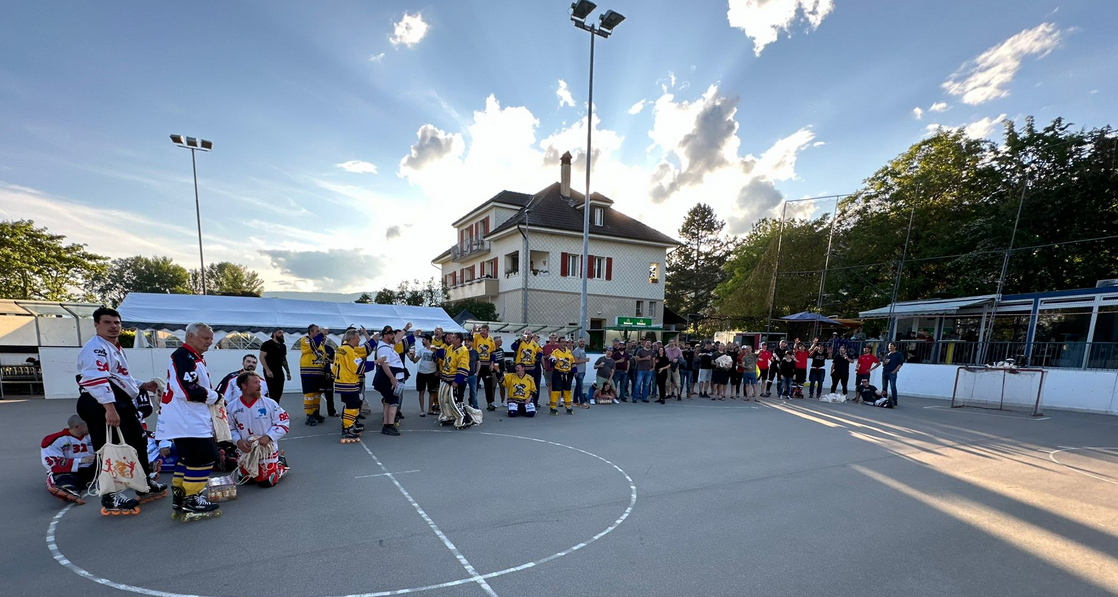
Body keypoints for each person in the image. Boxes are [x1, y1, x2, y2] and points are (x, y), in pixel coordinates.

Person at [75, 306, 166, 515]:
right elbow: (95, 380)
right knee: (110, 447)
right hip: (100, 403)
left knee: (138, 440)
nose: (113, 327)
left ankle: (144, 483)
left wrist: (144, 384)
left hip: (119, 402)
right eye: (107, 322)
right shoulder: (95, 348)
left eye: (116, 323)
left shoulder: (114, 347)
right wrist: (109, 409)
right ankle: (111, 494)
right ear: (96, 325)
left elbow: (120, 378)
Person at [158, 322, 222, 522]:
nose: (209, 342)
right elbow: (187, 390)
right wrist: (216, 396)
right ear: (191, 337)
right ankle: (192, 498)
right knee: (204, 456)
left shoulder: (193, 358)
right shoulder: (183, 356)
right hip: (186, 419)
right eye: (205, 338)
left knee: (188, 459)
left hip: (187, 417)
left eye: (211, 338)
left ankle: (180, 497)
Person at [227, 371, 289, 486]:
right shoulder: (232, 407)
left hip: (266, 452)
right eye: (255, 383)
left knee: (266, 482)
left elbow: (283, 423)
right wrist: (238, 441)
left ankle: (280, 466)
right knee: (246, 480)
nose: (260, 386)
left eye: (259, 383)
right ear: (244, 386)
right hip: (246, 452)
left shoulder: (270, 404)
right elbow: (228, 428)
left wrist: (269, 437)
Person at [43, 415, 95, 504]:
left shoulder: (92, 436)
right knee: (64, 479)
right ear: (77, 427)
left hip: (90, 469)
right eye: (87, 425)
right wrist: (80, 460)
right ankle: (66, 489)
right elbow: (52, 463)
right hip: (69, 471)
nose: (91, 426)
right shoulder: (54, 440)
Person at [333, 327, 371, 442]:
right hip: (349, 383)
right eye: (358, 337)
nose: (359, 340)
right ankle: (347, 428)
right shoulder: (349, 350)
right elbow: (359, 367)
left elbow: (334, 368)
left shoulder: (340, 349)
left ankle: (349, 425)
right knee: (353, 406)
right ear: (352, 338)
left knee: (349, 405)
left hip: (342, 382)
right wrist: (376, 362)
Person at [373, 326, 409, 436]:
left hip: (393, 376)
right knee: (393, 402)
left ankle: (387, 424)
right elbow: (385, 364)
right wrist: (392, 379)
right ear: (385, 335)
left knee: (389, 401)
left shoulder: (388, 346)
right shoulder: (384, 348)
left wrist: (405, 329)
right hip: (390, 378)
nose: (393, 336)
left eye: (393, 334)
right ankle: (389, 425)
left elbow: (397, 339)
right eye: (390, 334)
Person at [436, 332, 472, 429]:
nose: (451, 339)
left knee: (456, 401)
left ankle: (465, 419)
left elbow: (463, 366)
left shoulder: (464, 350)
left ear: (458, 340)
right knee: (445, 399)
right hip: (447, 378)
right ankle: (449, 416)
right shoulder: (450, 348)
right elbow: (445, 355)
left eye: (453, 338)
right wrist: (435, 350)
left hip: (456, 380)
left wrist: (458, 381)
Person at [298, 324, 330, 426]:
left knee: (317, 393)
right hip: (308, 372)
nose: (319, 333)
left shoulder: (321, 344)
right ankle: (309, 414)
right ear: (311, 332)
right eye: (317, 331)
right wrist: (322, 335)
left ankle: (316, 412)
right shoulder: (305, 340)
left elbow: (324, 357)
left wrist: (327, 370)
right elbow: (313, 345)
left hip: (319, 372)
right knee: (309, 394)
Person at [258, 329, 291, 403]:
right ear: (274, 334)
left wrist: (288, 372)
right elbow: (261, 357)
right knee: (272, 391)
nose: (282, 334)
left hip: (279, 370)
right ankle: (272, 408)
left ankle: (276, 407)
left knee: (279, 391)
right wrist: (267, 370)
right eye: (279, 333)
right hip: (270, 371)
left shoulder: (283, 346)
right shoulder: (267, 344)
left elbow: (284, 360)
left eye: (282, 333)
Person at [410, 334, 440, 417]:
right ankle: (422, 410)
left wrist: (438, 370)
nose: (422, 341)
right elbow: (415, 361)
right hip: (421, 373)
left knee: (432, 392)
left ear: (428, 340)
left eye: (423, 340)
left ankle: (430, 409)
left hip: (432, 373)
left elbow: (438, 361)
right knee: (421, 392)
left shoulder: (435, 350)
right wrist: (412, 357)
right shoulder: (421, 350)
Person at [472, 325, 498, 411]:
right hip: (478, 364)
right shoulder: (476, 336)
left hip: (487, 365)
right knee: (475, 385)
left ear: (487, 331)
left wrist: (492, 364)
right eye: (481, 330)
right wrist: (473, 330)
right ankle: (472, 403)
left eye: (484, 330)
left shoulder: (491, 339)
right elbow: (471, 343)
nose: (482, 332)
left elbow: (493, 353)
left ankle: (490, 402)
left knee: (488, 385)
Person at [513, 331, 542, 406]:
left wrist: (537, 357)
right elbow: (513, 347)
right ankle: (519, 401)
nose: (527, 335)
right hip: (521, 367)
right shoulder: (520, 342)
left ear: (531, 335)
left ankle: (534, 402)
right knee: (520, 384)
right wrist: (519, 340)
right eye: (526, 333)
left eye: (529, 334)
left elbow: (540, 351)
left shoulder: (534, 344)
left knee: (532, 385)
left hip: (531, 367)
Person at [548, 337, 575, 415]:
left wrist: (575, 372)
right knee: (556, 390)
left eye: (565, 342)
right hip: (558, 373)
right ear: (558, 343)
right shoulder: (555, 352)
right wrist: (555, 361)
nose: (564, 343)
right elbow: (551, 363)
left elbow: (573, 362)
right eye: (562, 342)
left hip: (567, 373)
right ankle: (553, 407)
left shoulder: (569, 352)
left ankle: (568, 406)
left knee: (567, 390)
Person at [881, 343, 904, 407]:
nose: (889, 348)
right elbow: (883, 363)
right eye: (889, 347)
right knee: (884, 386)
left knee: (893, 386)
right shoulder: (887, 354)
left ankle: (894, 400)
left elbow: (900, 363)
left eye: (891, 346)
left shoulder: (898, 354)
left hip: (892, 372)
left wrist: (895, 371)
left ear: (895, 347)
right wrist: (885, 362)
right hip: (885, 371)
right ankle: (884, 399)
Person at [572, 337, 590, 408]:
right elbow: (575, 361)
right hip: (578, 371)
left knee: (578, 386)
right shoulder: (577, 350)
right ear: (578, 343)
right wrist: (585, 360)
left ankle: (575, 401)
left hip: (582, 371)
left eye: (583, 341)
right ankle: (582, 402)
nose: (582, 343)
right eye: (581, 341)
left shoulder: (582, 350)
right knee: (580, 387)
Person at [464, 335, 480, 410]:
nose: (466, 343)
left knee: (474, 393)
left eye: (468, 341)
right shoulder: (462, 350)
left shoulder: (475, 352)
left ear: (472, 342)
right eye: (465, 341)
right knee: (461, 392)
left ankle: (476, 409)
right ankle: (460, 408)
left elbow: (478, 362)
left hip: (472, 375)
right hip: (463, 375)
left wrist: (477, 373)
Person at [491, 336, 506, 404]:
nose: (501, 342)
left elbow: (503, 360)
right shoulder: (492, 350)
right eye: (500, 341)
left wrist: (504, 369)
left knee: (502, 386)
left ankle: (503, 401)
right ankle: (492, 401)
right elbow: (493, 361)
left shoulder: (501, 350)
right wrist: (497, 369)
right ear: (496, 342)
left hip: (501, 371)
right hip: (494, 371)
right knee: (493, 387)